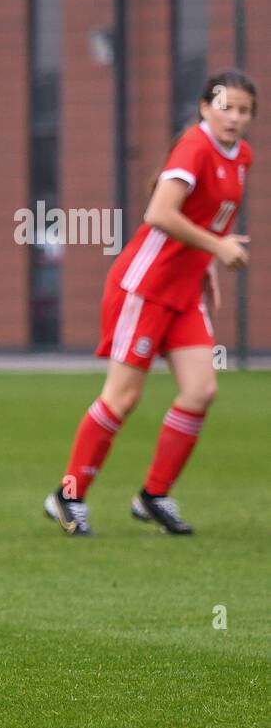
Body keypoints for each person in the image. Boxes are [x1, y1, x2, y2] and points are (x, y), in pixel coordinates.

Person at [45, 70, 254, 537]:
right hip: (146, 287)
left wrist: (208, 268)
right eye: (226, 106)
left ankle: (153, 495)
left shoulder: (242, 156)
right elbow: (159, 214)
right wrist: (218, 249)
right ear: (204, 107)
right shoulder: (194, 147)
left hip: (184, 292)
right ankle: (68, 494)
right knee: (123, 396)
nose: (234, 117)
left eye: (243, 110)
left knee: (201, 390)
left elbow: (208, 221)